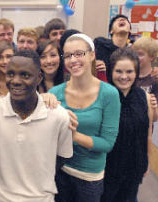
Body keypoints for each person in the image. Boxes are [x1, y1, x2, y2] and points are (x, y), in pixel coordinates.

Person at [0, 50, 73, 202]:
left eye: (25, 75)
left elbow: (62, 158)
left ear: (39, 77)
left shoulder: (59, 116)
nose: (15, 80)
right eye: (10, 74)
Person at [49, 33, 121, 202]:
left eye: (79, 54)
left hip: (89, 178)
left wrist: (73, 136)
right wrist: (44, 102)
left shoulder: (109, 94)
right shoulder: (55, 93)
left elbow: (107, 143)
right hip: (60, 171)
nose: (73, 60)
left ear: (92, 55)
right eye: (67, 56)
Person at [101, 48, 153, 202]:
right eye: (119, 71)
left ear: (136, 73)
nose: (124, 77)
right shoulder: (103, 96)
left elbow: (148, 134)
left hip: (134, 166)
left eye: (129, 71)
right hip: (108, 168)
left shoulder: (145, 97)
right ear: (111, 72)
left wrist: (147, 160)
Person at [94, 14, 158, 82]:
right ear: (111, 31)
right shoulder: (100, 45)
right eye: (117, 20)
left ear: (130, 30)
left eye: (126, 20)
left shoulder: (133, 52)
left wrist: (157, 71)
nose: (122, 20)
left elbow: (142, 70)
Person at [132, 37, 158, 121]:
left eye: (140, 54)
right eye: (134, 54)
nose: (135, 57)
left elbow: (155, 118)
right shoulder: (128, 75)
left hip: (144, 126)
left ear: (152, 57)